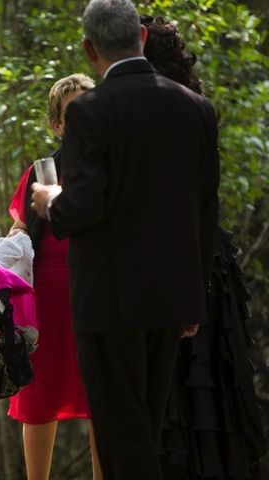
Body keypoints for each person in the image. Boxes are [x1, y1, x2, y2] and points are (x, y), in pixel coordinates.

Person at [31, 1, 220, 479]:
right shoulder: (195, 108)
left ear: (88, 48)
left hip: (109, 300)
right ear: (140, 35)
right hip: (171, 299)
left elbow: (81, 210)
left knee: (121, 441)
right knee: (143, 430)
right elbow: (204, 211)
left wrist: (51, 199)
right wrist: (193, 301)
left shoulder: (92, 111)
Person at [140, 15, 267, 479]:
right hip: (208, 255)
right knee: (209, 380)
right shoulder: (196, 106)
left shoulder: (144, 111)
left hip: (169, 258)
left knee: (177, 377)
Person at [6, 73, 102, 480]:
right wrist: (12, 243)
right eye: (71, 114)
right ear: (57, 125)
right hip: (47, 293)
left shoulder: (111, 165)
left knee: (102, 398)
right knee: (40, 398)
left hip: (97, 289)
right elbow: (20, 227)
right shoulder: (41, 171)